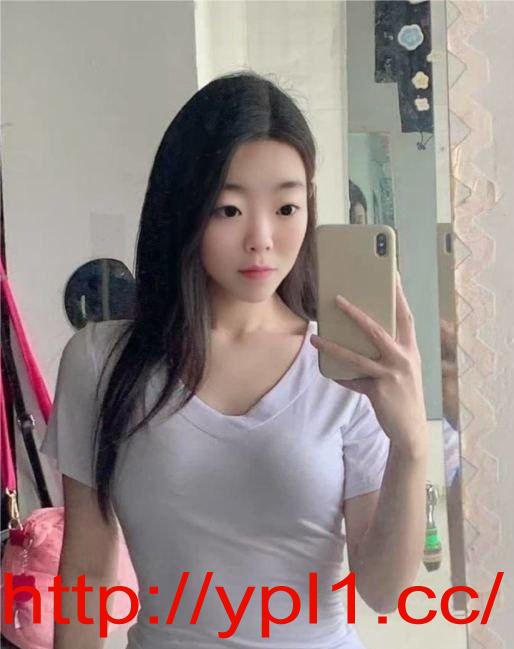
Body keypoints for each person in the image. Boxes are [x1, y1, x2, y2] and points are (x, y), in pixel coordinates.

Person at [39, 70, 429, 649]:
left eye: (287, 207)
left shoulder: (345, 366)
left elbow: (383, 590)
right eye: (228, 209)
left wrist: (411, 446)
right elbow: (89, 570)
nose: (262, 238)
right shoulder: (101, 361)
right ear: (183, 207)